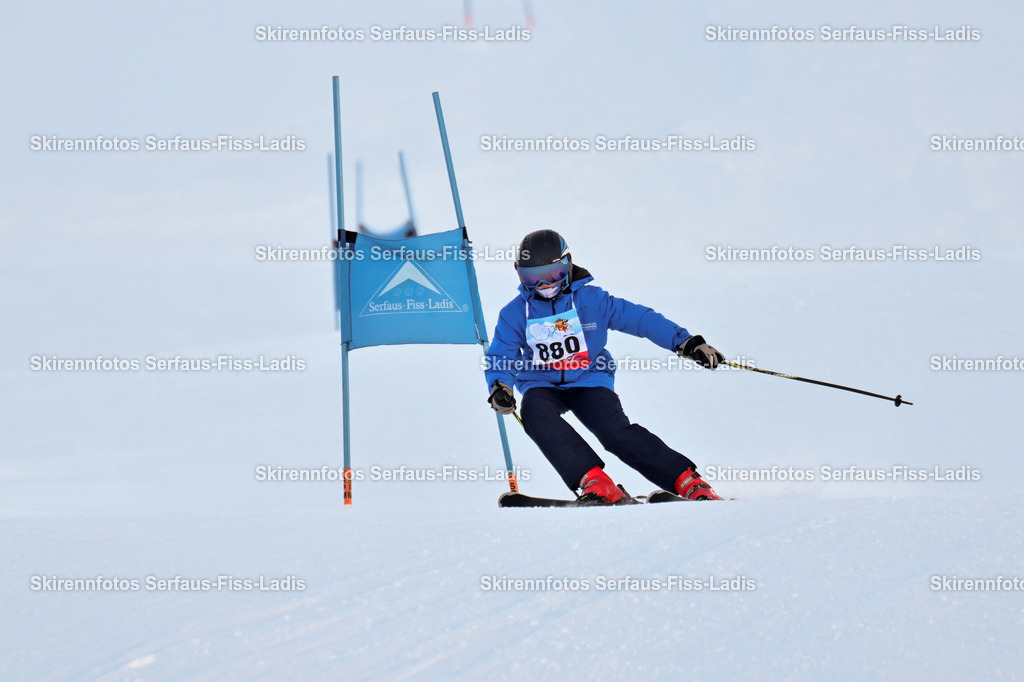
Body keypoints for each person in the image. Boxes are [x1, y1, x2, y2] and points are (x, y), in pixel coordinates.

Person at [484, 229, 724, 504]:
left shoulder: (592, 301)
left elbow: (640, 319)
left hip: (589, 378)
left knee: (613, 431)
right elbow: (501, 355)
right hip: (542, 382)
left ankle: (689, 482)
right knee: (535, 412)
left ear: (568, 264)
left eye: (552, 274)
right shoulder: (515, 313)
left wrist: (686, 342)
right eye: (531, 277)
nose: (543, 285)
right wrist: (500, 386)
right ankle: (596, 482)